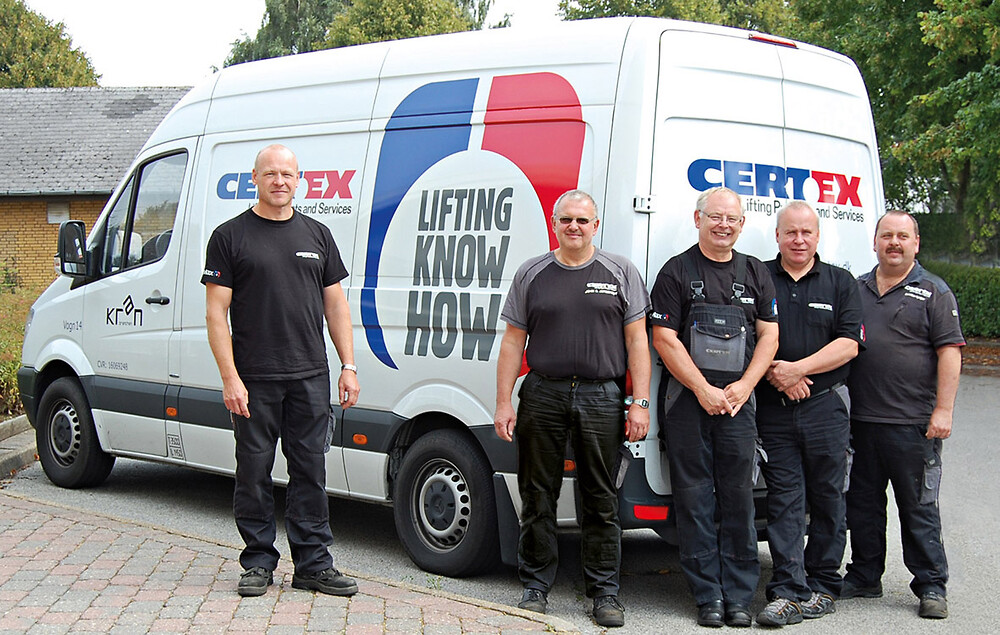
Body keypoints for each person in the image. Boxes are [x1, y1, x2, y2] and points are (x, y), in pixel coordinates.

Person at [203, 144, 361, 598]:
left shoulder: (318, 235)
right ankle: (257, 562)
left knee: (310, 471)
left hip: (309, 375)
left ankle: (313, 564)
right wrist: (230, 378)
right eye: (270, 173)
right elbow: (216, 314)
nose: (279, 181)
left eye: (287, 174)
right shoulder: (230, 237)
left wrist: (348, 365)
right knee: (253, 472)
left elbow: (336, 305)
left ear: (298, 180)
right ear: (254, 178)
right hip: (254, 379)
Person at [494, 189, 651, 629]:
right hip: (543, 392)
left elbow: (638, 340)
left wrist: (639, 402)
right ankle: (535, 585)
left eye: (583, 220)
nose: (574, 227)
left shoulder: (620, 271)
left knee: (600, 496)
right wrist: (504, 401)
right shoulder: (532, 272)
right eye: (566, 220)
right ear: (554, 223)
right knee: (536, 492)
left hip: (602, 396)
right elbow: (513, 342)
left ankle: (604, 592)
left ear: (595, 225)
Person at [650, 186, 779, 628]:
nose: (723, 225)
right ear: (698, 219)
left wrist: (745, 385)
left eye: (732, 219)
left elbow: (770, 335)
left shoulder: (755, 272)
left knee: (739, 498)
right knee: (694, 499)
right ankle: (708, 596)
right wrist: (703, 388)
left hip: (739, 404)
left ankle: (740, 597)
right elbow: (664, 338)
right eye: (715, 217)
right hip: (689, 402)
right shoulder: (676, 271)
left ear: (741, 224)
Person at [843, 210, 963, 619]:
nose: (894, 243)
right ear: (875, 242)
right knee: (862, 505)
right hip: (860, 421)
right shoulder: (856, 288)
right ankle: (864, 576)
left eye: (902, 236)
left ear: (916, 243)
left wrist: (943, 409)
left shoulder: (934, 291)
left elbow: (950, 353)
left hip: (913, 423)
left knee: (918, 508)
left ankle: (931, 585)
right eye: (887, 236)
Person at [753, 202, 865, 627]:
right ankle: (787, 590)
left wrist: (798, 370)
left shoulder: (840, 282)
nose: (798, 240)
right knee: (784, 500)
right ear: (777, 236)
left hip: (825, 407)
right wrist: (779, 375)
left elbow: (849, 344)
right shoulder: (759, 276)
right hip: (775, 409)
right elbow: (746, 335)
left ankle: (823, 585)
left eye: (806, 233)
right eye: (791, 232)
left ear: (818, 236)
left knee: (828, 497)